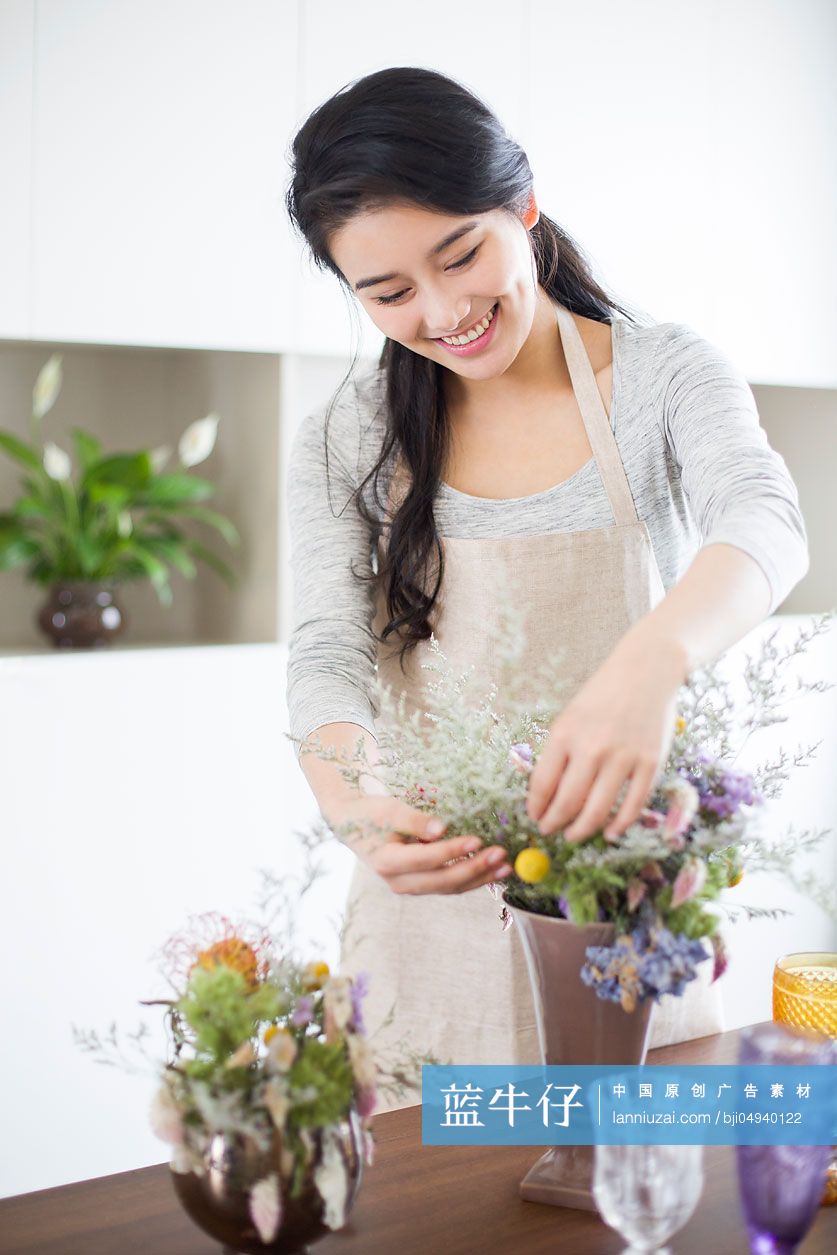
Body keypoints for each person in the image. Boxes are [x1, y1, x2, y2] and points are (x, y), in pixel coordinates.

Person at [283, 67, 809, 1111]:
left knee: (631, 1199)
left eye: (463, 253)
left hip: (623, 913)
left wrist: (647, 668)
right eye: (388, 294)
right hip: (427, 930)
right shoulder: (348, 432)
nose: (443, 311)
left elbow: (766, 521)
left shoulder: (662, 376)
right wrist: (353, 805)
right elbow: (325, 653)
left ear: (523, 208)